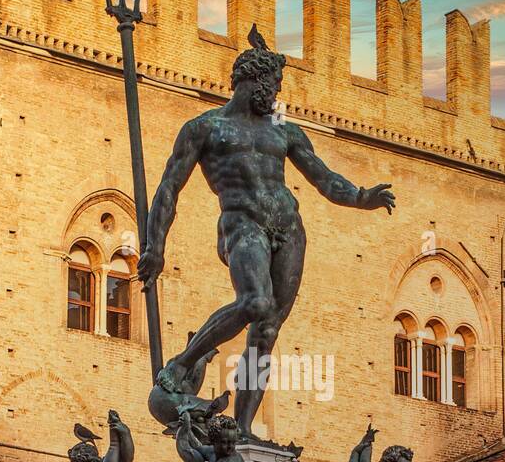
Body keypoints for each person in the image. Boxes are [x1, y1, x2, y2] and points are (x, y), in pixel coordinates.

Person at [139, 26, 396, 437]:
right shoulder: (205, 129)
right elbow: (169, 188)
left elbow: (324, 179)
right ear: (250, 81)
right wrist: (156, 247)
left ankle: (242, 431)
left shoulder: (285, 131)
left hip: (289, 228)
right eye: (272, 84)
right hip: (242, 224)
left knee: (268, 328)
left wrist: (361, 197)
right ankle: (184, 363)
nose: (276, 93)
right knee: (255, 302)